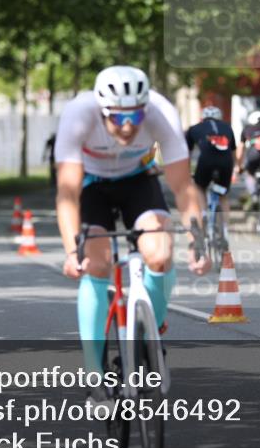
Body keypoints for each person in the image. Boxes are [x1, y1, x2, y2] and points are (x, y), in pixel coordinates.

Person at [54, 66, 210, 397]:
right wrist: (72, 252)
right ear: (101, 109)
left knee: (160, 251)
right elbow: (67, 194)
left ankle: (148, 335)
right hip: (91, 184)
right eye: (117, 118)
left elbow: (183, 186)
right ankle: (94, 374)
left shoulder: (161, 112)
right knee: (95, 263)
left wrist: (198, 239)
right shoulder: (78, 115)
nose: (127, 127)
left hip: (138, 181)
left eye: (136, 118)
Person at [185, 105, 236, 218]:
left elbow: (187, 152)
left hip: (206, 161)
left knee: (200, 187)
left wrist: (187, 170)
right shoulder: (227, 127)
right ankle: (225, 229)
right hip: (226, 162)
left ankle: (203, 215)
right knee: (223, 194)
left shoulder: (194, 128)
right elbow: (233, 151)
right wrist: (235, 168)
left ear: (202, 117)